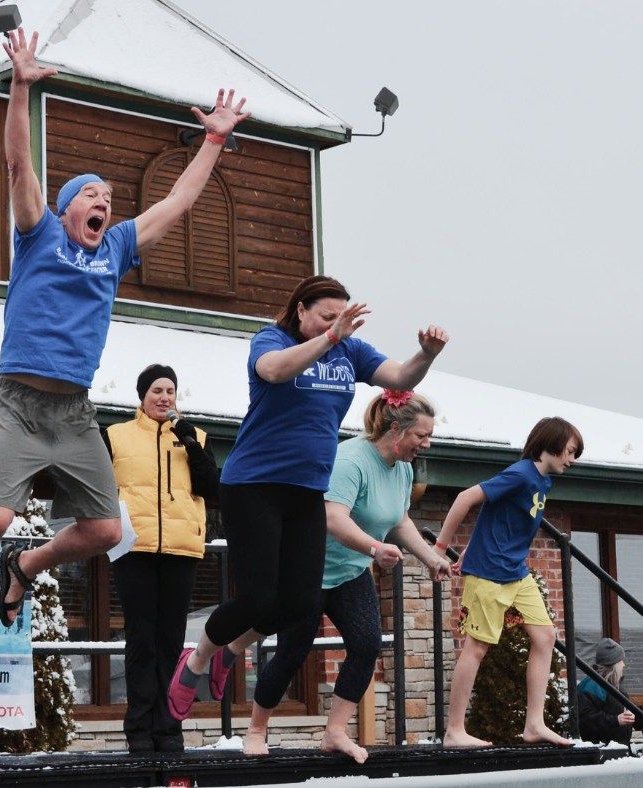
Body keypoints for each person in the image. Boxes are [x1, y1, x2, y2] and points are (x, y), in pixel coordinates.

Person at [0, 27, 249, 630]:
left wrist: (213, 140)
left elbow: (178, 203)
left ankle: (25, 567)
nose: (104, 203)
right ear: (66, 207)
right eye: (91, 195)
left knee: (107, 529)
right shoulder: (40, 233)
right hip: (19, 403)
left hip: (74, 413)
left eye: (109, 198)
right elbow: (16, 165)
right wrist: (18, 87)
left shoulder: (115, 248)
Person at [167, 274, 449, 721]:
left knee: (299, 603)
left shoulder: (350, 352)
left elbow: (399, 376)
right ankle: (198, 658)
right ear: (301, 310)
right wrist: (331, 336)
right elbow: (274, 370)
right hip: (253, 486)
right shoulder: (271, 340)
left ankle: (227, 653)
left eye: (341, 318)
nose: (335, 326)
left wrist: (427, 355)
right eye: (325, 317)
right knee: (258, 598)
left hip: (306, 492)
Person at [240, 391, 452, 759]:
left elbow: (399, 520)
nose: (427, 443)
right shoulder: (351, 460)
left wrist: (431, 557)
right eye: (422, 435)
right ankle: (256, 731)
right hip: (307, 568)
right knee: (293, 651)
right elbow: (333, 517)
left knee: (367, 644)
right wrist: (374, 548)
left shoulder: (402, 469)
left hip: (349, 573)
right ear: (397, 430)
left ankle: (334, 733)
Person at [435, 416, 583, 748]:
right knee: (477, 647)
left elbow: (495, 519)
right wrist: (440, 548)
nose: (572, 460)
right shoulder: (520, 474)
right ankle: (454, 731)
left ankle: (534, 723)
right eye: (570, 451)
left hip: (517, 573)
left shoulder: (543, 481)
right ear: (551, 443)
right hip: (489, 575)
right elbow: (465, 498)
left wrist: (468, 550)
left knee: (545, 636)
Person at [105, 364, 219, 754]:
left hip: (180, 549)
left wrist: (189, 442)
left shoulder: (195, 436)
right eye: (157, 390)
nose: (164, 397)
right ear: (142, 396)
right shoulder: (116, 436)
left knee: (170, 639)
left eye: (171, 390)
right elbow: (98, 489)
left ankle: (169, 729)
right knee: (141, 637)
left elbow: (211, 488)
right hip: (133, 548)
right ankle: (139, 730)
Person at [577, 638, 641, 746]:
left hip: (618, 751)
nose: (624, 665)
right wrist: (616, 720)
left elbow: (629, 713)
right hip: (601, 754)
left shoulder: (615, 686)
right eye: (621, 661)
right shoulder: (591, 686)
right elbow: (586, 722)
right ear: (614, 664)